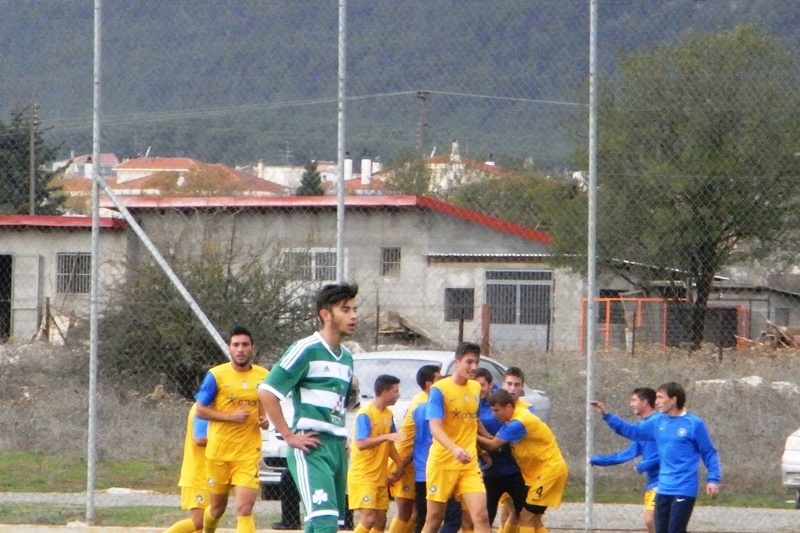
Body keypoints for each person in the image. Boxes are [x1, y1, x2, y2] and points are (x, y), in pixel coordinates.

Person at [258, 282, 360, 533]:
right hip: (312, 448)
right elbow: (267, 391)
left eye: (354, 309)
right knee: (325, 524)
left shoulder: (346, 358)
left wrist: (339, 433)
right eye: (345, 309)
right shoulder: (305, 349)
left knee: (324, 525)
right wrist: (289, 436)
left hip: (337, 449)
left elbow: (337, 404)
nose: (354, 315)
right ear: (325, 314)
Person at [590, 381, 721, 533]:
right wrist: (607, 416)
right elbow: (633, 431)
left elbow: (709, 452)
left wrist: (713, 479)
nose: (656, 401)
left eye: (660, 397)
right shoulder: (658, 421)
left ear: (673, 399)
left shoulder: (693, 424)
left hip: (684, 488)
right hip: (663, 487)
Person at [195, 326, 270, 533]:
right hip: (219, 453)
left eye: (245, 344)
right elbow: (200, 411)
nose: (240, 349)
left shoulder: (264, 375)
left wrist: (265, 422)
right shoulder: (216, 375)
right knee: (217, 509)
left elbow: (265, 410)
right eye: (236, 345)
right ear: (229, 348)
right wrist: (230, 417)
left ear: (252, 348)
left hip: (247, 453)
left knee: (244, 508)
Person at [421, 342, 490, 533]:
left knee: (481, 517)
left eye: (476, 362)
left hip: (468, 464)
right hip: (443, 463)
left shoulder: (476, 388)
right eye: (469, 362)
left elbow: (472, 421)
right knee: (434, 520)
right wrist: (454, 448)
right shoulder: (440, 389)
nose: (473, 367)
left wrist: (483, 446)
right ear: (457, 362)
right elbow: (435, 427)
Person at [479, 390, 568, 533]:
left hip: (550, 471)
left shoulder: (518, 422)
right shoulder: (511, 419)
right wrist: (479, 427)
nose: (494, 414)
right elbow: (493, 440)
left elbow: (493, 445)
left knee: (525, 516)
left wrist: (470, 432)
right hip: (540, 474)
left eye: (497, 410)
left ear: (508, 407)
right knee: (530, 517)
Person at [589, 387, 659, 533]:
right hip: (652, 482)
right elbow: (626, 454)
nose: (631, 404)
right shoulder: (644, 427)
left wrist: (643, 465)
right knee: (653, 523)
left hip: (665, 481)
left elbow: (666, 453)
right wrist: (596, 460)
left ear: (645, 402)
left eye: (634, 400)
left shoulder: (657, 423)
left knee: (651, 520)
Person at [474, 368, 528, 532]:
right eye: (509, 384)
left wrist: (480, 434)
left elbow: (495, 441)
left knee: (522, 514)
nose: (479, 389)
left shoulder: (519, 409)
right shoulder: (474, 405)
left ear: (491, 384)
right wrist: (481, 449)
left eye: (482, 385)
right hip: (489, 471)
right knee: (485, 516)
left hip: (515, 469)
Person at [348, 374, 402, 533]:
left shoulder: (388, 414)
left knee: (380, 521)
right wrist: (386, 436)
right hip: (364, 476)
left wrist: (399, 463)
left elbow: (390, 443)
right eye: (395, 391)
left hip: (379, 476)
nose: (398, 395)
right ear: (384, 392)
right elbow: (362, 443)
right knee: (369, 518)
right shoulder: (365, 413)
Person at [162, 403, 209, 533]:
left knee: (207, 523)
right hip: (198, 475)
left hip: (210, 475)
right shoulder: (203, 408)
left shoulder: (215, 408)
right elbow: (199, 440)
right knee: (199, 521)